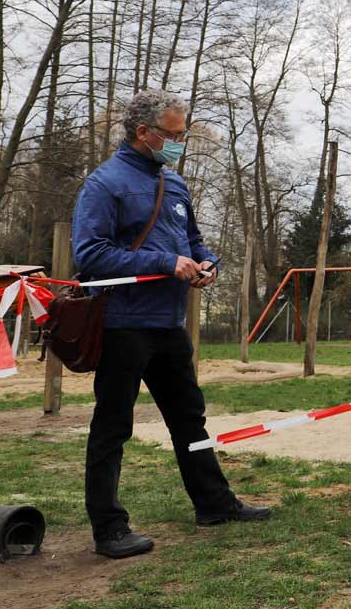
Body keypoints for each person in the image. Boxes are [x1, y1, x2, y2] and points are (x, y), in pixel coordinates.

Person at [75, 89, 270, 560]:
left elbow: (195, 241)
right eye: (174, 134)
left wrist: (207, 263)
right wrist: (167, 261)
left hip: (169, 323)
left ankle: (215, 505)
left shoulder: (175, 184)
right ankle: (109, 527)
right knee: (113, 426)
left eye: (183, 135)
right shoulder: (104, 185)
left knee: (189, 417)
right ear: (143, 133)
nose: (181, 142)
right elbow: (89, 255)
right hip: (123, 323)